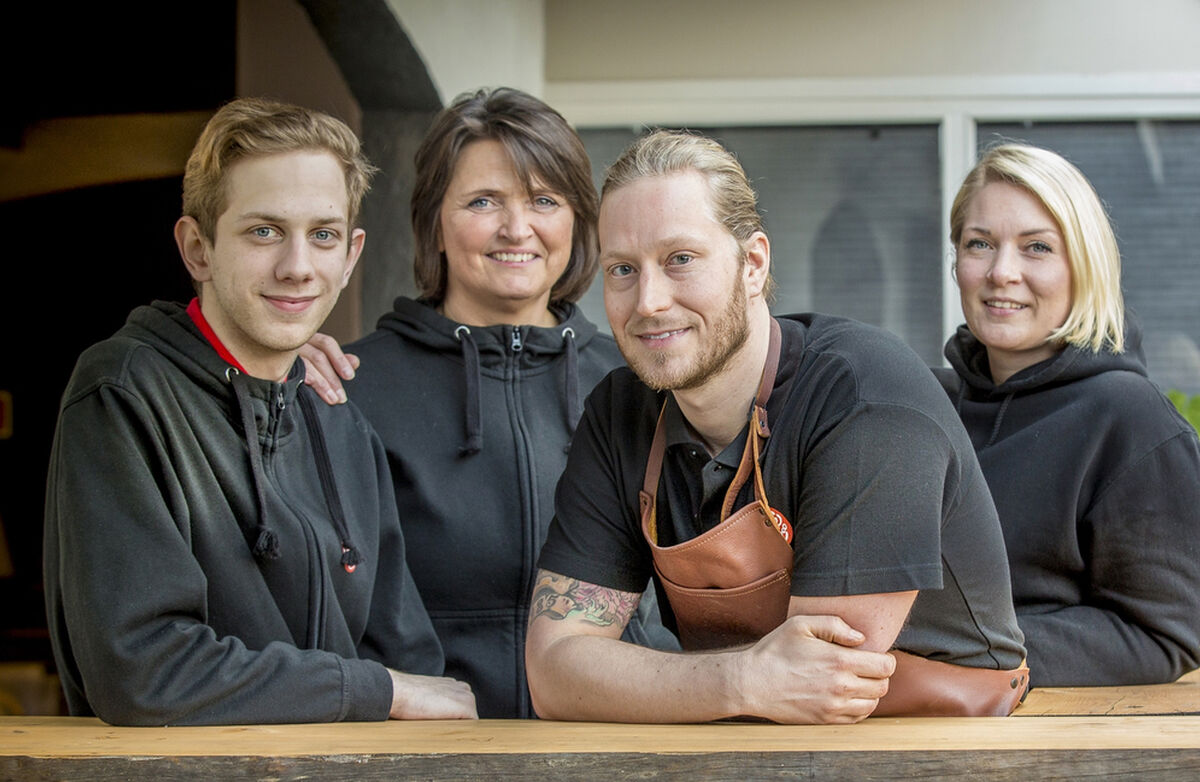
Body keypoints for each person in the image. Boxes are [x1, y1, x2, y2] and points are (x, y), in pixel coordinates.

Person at [526, 130, 1027, 724]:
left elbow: (822, 682)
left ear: (753, 263)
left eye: (680, 259)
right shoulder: (621, 410)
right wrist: (742, 679)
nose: (649, 301)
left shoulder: (866, 395)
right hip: (741, 740)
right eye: (622, 269)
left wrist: (655, 682)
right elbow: (553, 674)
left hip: (943, 741)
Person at [43, 98, 476, 726]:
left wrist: (396, 691)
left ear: (351, 254)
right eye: (263, 231)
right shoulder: (122, 395)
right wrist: (380, 693)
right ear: (198, 249)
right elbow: (143, 670)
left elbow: (408, 661)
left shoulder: (343, 425)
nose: (297, 267)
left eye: (322, 235)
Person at [300, 88, 674, 718]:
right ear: (434, 222)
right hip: (433, 749)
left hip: (616, 743)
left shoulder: (640, 381)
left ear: (578, 220)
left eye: (544, 201)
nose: (516, 228)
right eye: (482, 202)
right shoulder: (348, 385)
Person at [937, 143, 1200, 686]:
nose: (1001, 272)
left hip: (1046, 738)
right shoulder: (926, 406)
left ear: (1084, 265)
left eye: (1036, 247)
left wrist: (962, 650)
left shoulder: (1128, 419)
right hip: (891, 720)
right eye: (979, 243)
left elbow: (1167, 634)